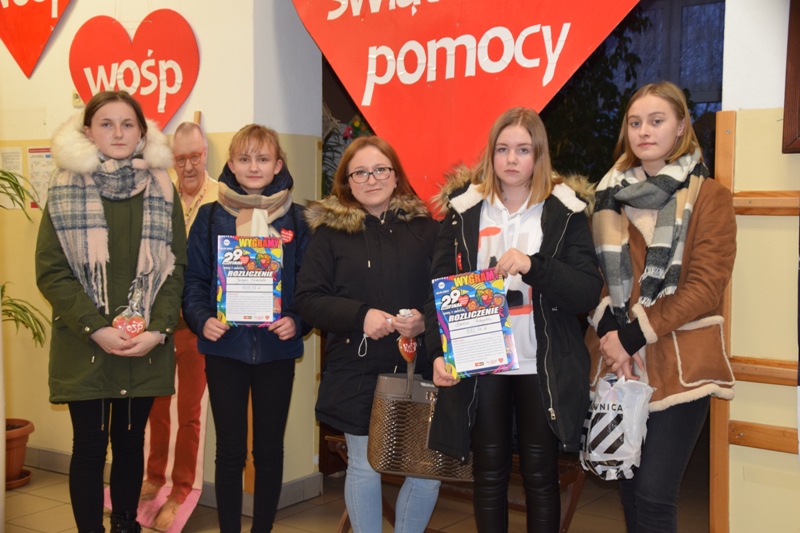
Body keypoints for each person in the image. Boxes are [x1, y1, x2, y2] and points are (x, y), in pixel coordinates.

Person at [424, 107, 603, 532]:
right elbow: (438, 288)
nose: (511, 159)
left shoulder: (565, 211)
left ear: (539, 154)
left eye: (523, 150)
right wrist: (437, 352)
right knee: (488, 474)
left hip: (541, 364)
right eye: (502, 149)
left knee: (541, 476)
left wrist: (533, 265)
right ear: (490, 154)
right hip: (481, 360)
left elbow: (585, 291)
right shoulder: (464, 210)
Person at [585, 81, 736, 533]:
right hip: (618, 363)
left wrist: (631, 336)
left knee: (654, 494)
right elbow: (592, 280)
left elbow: (705, 288)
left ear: (681, 126)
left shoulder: (709, 196)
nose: (644, 131)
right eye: (635, 123)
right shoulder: (607, 196)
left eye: (656, 121)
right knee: (629, 489)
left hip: (680, 364)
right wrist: (613, 338)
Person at [35, 90, 186, 533]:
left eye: (127, 124)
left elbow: (177, 267)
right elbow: (52, 272)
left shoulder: (163, 188)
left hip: (145, 344)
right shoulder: (63, 188)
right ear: (88, 131)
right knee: (88, 448)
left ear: (141, 133)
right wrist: (96, 328)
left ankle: (125, 525)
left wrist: (158, 330)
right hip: (85, 344)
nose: (118, 133)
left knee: (130, 445)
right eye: (106, 123)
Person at [294, 136, 441, 533]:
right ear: (347, 182)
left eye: (380, 170)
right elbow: (307, 299)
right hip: (356, 369)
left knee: (426, 472)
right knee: (364, 465)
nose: (371, 179)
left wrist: (425, 321)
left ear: (396, 176)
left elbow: (448, 291)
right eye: (360, 172)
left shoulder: (428, 229)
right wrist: (360, 316)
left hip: (419, 367)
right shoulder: (329, 234)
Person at [182, 124, 310, 533]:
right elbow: (194, 281)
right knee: (230, 451)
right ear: (231, 164)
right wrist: (202, 319)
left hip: (276, 350)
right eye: (244, 159)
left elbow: (311, 287)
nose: (253, 167)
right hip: (225, 349)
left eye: (263, 159)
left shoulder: (298, 219)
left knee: (269, 451)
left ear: (278, 165)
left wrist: (298, 320)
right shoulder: (209, 217)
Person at [140, 121, 219, 530]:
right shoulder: (159, 195)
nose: (188, 166)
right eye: (180, 158)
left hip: (199, 323)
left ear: (206, 154)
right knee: (156, 405)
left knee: (189, 411)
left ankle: (183, 486)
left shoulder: (224, 198)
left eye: (195, 157)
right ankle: (154, 477)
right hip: (160, 319)